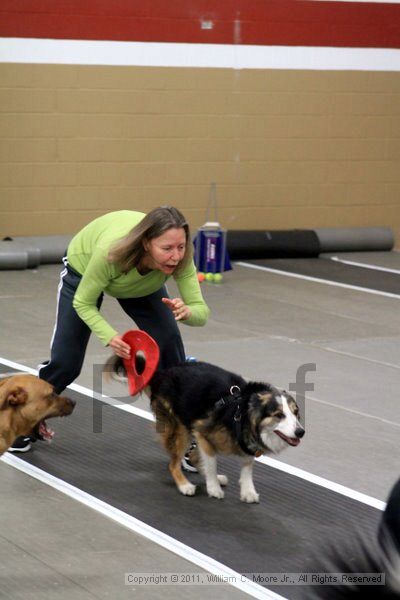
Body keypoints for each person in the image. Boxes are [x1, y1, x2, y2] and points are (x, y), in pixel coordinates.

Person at [10, 206, 210, 455]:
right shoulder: (110, 252)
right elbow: (83, 302)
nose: (175, 256)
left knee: (170, 348)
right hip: (83, 268)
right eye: (167, 248)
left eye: (180, 247)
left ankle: (183, 435)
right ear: (147, 243)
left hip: (141, 285)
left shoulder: (180, 258)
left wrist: (188, 313)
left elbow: (201, 313)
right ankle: (21, 420)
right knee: (67, 362)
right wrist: (110, 336)